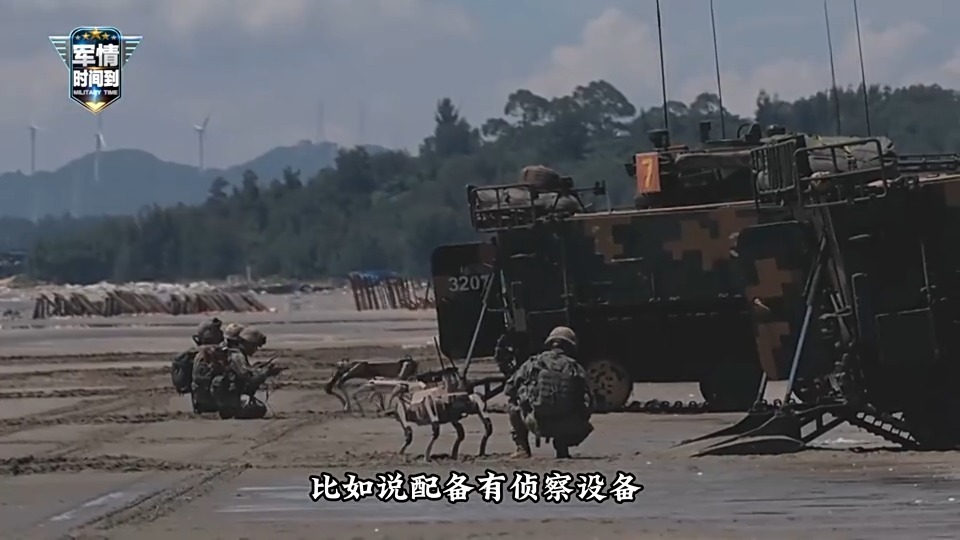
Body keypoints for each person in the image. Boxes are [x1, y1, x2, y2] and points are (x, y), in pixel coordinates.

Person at [503, 326, 594, 458]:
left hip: (537, 423)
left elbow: (509, 389)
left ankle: (522, 448)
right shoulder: (576, 368)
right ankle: (562, 447)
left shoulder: (533, 363)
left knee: (512, 404)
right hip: (570, 426)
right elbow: (590, 401)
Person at [211, 326, 285, 419]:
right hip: (228, 400)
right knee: (259, 409)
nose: (255, 349)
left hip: (221, 397)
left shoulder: (229, 352)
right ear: (246, 343)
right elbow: (249, 380)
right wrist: (266, 373)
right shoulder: (237, 356)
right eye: (254, 346)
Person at [170, 317, 224, 396]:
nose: (220, 332)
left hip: (198, 394)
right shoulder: (215, 352)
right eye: (217, 330)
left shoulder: (192, 353)